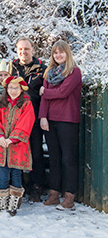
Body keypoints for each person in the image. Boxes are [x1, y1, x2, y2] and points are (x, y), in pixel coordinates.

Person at [39, 40, 82, 211]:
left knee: (68, 159)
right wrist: (43, 117)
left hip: (68, 120)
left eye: (61, 52)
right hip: (51, 120)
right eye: (55, 53)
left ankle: (69, 196)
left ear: (67, 53)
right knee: (54, 158)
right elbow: (44, 98)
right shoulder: (49, 73)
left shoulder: (74, 72)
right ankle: (54, 194)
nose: (58, 55)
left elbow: (63, 92)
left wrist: (46, 92)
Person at [0, 76, 35, 216]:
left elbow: (26, 122)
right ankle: (3, 202)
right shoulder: (2, 103)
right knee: (3, 172)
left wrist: (13, 138)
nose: (13, 91)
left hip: (18, 145)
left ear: (21, 89)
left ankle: (14, 203)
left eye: (16, 88)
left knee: (16, 172)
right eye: (10, 88)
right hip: (3, 144)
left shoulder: (26, 104)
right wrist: (0, 136)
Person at [11, 37, 47, 202]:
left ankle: (37, 186)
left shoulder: (42, 69)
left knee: (36, 152)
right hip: (15, 119)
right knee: (17, 152)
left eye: (26, 49)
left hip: (34, 117)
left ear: (32, 50)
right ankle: (18, 186)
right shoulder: (12, 67)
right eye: (20, 50)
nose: (23, 52)